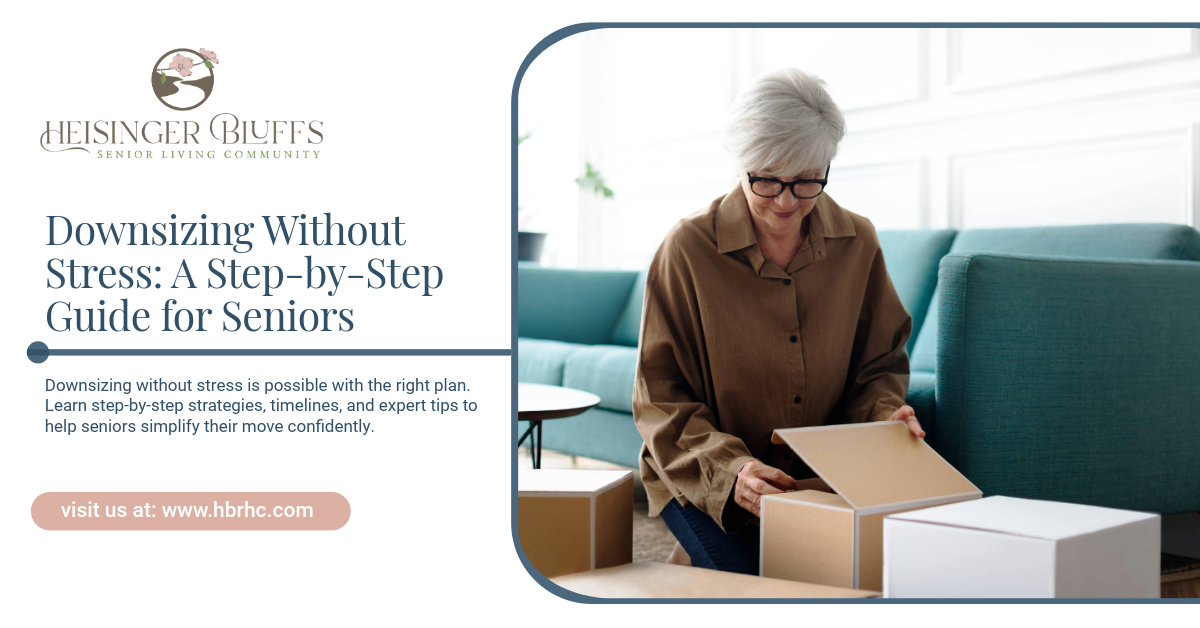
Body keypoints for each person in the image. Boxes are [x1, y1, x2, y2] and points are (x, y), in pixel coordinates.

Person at [632, 68, 924, 575]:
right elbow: (660, 396)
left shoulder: (858, 242)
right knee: (757, 588)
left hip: (818, 479)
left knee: (847, 579)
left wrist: (885, 415)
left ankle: (690, 563)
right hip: (707, 476)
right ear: (741, 162)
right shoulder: (688, 248)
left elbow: (879, 364)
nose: (787, 201)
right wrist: (734, 471)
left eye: (807, 180)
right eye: (766, 179)